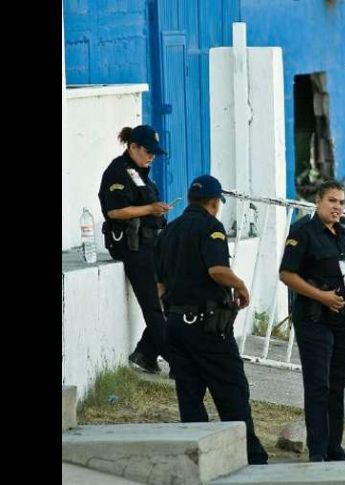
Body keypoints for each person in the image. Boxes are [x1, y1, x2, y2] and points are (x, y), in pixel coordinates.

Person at [154, 174, 269, 465]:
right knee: (231, 389)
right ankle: (249, 456)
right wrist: (241, 285)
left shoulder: (169, 231)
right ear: (215, 203)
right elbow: (217, 270)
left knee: (189, 395)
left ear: (191, 199)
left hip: (176, 326)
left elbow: (160, 287)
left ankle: (199, 459)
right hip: (206, 326)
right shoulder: (211, 227)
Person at [279, 179, 345, 462]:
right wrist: (321, 296)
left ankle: (334, 447)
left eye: (341, 202)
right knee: (318, 385)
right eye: (332, 201)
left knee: (337, 386)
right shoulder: (303, 232)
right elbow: (287, 275)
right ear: (318, 201)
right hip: (314, 320)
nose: (337, 207)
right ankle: (318, 450)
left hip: (342, 320)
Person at [98, 125, 171, 373]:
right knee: (153, 305)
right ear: (132, 147)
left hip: (151, 245)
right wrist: (150, 209)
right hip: (131, 246)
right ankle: (179, 363)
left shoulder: (140, 173)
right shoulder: (117, 172)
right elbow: (115, 211)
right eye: (147, 151)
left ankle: (145, 354)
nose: (151, 156)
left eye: (154, 153)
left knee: (169, 298)